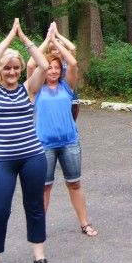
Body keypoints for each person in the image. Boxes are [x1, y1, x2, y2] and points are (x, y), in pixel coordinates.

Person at [0, 18, 51, 263]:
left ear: (21, 70)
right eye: (7, 68)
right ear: (1, 69)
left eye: (16, 67)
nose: (11, 72)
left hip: (32, 157)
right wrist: (9, 38)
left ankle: (39, 254)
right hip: (2, 160)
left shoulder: (28, 90)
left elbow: (43, 64)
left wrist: (24, 39)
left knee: (34, 206)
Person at [35, 24, 97, 236]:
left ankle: (84, 223)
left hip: (70, 142)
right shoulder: (35, 89)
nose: (52, 70)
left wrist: (56, 42)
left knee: (74, 184)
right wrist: (47, 41)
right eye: (48, 67)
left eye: (55, 67)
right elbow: (30, 63)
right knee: (44, 188)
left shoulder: (67, 86)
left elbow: (72, 61)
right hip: (44, 145)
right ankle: (39, 228)